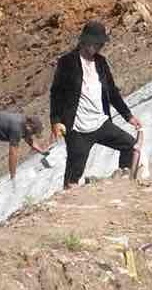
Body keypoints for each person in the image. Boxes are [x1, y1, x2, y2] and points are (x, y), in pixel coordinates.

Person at [50, 21, 144, 188]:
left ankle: (122, 183)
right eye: (95, 42)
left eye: (100, 43)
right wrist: (56, 120)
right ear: (84, 41)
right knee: (74, 174)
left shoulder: (101, 62)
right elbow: (56, 93)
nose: (98, 46)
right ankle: (67, 203)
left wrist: (128, 116)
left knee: (130, 145)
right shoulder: (67, 62)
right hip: (77, 127)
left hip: (100, 122)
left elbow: (112, 92)